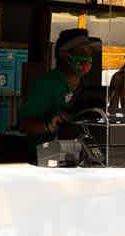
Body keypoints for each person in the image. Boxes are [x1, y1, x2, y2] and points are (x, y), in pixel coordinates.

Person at [18, 28, 102, 160]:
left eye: (90, 53)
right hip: (44, 160)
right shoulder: (46, 84)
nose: (88, 58)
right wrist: (49, 126)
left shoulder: (86, 86)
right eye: (82, 52)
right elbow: (24, 124)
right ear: (64, 55)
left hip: (78, 159)